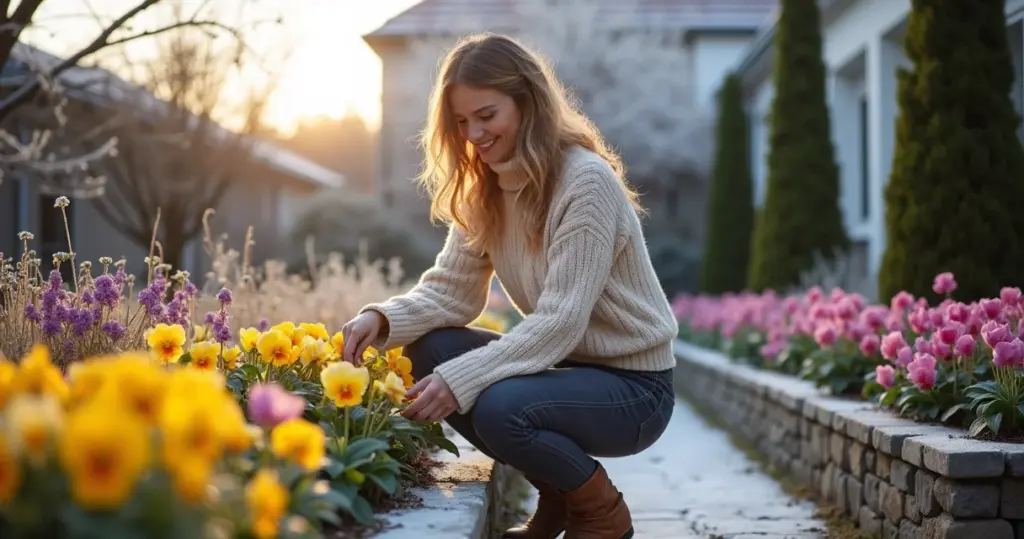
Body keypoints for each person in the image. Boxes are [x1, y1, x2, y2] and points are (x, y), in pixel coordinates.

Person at [340, 33, 677, 539]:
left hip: (636, 391)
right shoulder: (487, 189)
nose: (473, 133)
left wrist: (463, 380)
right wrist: (381, 319)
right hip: (569, 372)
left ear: (528, 103)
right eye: (461, 121)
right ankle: (561, 498)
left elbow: (561, 322)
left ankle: (600, 513)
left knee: (499, 408)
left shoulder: (585, 183)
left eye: (487, 115)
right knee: (430, 349)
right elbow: (450, 293)